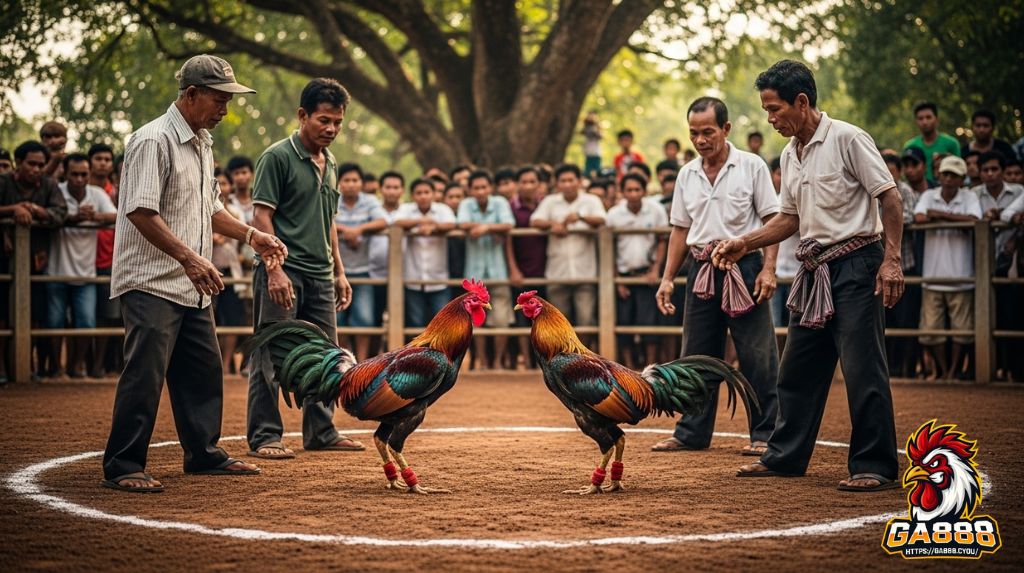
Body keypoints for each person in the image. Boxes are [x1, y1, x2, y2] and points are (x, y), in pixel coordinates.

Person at [714, 60, 905, 492]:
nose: (770, 118)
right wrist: (745, 242)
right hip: (815, 271)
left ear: (801, 102)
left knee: (862, 368)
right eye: (767, 109)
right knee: (797, 367)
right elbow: (789, 218)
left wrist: (891, 259)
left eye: (774, 108)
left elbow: (890, 197)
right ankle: (784, 456)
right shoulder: (790, 153)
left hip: (858, 264)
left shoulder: (848, 138)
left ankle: (873, 464)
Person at [103, 55, 279, 492]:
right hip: (151, 279)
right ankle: (124, 464)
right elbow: (140, 211)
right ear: (192, 94)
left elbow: (210, 208)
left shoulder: (202, 141)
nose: (224, 110)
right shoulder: (152, 140)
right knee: (145, 372)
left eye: (227, 101)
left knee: (203, 369)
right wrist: (190, 257)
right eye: (219, 100)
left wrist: (251, 235)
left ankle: (203, 453)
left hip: (192, 281)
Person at [650, 97, 779, 456]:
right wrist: (667, 278)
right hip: (701, 268)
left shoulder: (751, 166)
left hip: (744, 266)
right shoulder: (687, 173)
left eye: (708, 131)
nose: (700, 140)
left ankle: (766, 433)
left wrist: (768, 269)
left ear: (726, 129)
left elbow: (772, 221)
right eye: (694, 133)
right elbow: (680, 229)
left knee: (757, 353)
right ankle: (691, 432)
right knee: (695, 354)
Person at [246, 77, 365, 462]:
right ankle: (265, 435)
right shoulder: (277, 157)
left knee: (326, 356)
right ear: (302, 115)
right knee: (271, 356)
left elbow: (329, 221)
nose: (331, 128)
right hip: (285, 271)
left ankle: (321, 431)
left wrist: (339, 271)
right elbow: (262, 216)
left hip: (320, 274)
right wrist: (274, 269)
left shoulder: (330, 163)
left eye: (337, 122)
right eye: (323, 120)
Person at [0, 140, 67, 380]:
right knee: (2, 316)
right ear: (18, 162)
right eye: (31, 164)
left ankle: (28, 367)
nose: (37, 169)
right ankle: (3, 369)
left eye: (40, 164)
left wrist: (37, 211)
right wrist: (13, 209)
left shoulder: (49, 185)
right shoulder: (4, 182)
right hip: (3, 260)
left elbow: (61, 213)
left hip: (37, 262)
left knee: (36, 316)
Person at [47, 153, 117, 378]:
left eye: (83, 174)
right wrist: (73, 217)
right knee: (55, 323)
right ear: (66, 173)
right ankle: (56, 368)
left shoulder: (96, 194)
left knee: (86, 321)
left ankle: (75, 366)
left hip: (86, 273)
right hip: (56, 270)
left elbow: (116, 216)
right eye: (74, 174)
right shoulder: (56, 191)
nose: (79, 179)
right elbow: (48, 214)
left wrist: (97, 217)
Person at [913, 156, 980, 380]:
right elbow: (920, 217)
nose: (949, 179)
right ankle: (943, 370)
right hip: (932, 276)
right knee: (931, 331)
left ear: (962, 179)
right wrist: (955, 220)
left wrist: (940, 215)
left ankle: (952, 372)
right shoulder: (928, 195)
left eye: (954, 175)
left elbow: (975, 221)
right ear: (938, 175)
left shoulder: (969, 197)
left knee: (963, 332)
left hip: (961, 277)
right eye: (945, 174)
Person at [530, 163, 606, 346]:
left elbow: (602, 219)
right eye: (563, 181)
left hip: (585, 272)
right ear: (557, 183)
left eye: (571, 180)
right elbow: (535, 220)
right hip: (557, 271)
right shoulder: (550, 202)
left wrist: (580, 217)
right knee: (558, 321)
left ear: (579, 181)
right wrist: (552, 224)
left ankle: (582, 356)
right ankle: (564, 357)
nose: (567, 184)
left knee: (586, 319)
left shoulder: (591, 201)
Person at [606, 173, 667, 368]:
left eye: (637, 189)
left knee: (649, 322)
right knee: (624, 322)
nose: (633, 194)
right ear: (622, 192)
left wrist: (656, 268)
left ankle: (649, 367)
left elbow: (662, 240)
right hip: (624, 275)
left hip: (646, 274)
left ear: (644, 190)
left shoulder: (656, 210)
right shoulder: (614, 215)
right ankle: (628, 367)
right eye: (629, 190)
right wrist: (617, 279)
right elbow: (609, 248)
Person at [457, 170, 515, 369]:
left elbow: (509, 224)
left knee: (501, 319)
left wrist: (486, 228)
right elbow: (462, 223)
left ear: (490, 188)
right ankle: (482, 361)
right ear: (470, 190)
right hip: (474, 274)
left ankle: (498, 361)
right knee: (475, 319)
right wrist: (492, 227)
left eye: (484, 187)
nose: (481, 191)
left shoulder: (500, 202)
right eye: (476, 188)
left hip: (499, 272)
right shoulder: (466, 204)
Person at [334, 162, 387, 361]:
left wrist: (359, 230)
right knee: (338, 319)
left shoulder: (369, 201)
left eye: (355, 180)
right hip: (336, 271)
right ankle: (342, 361)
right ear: (339, 183)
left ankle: (362, 363)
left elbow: (382, 221)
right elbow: (322, 220)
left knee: (364, 319)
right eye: (346, 180)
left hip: (363, 271)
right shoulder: (333, 199)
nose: (351, 184)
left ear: (361, 183)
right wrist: (345, 231)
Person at [395, 178, 457, 328]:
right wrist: (420, 222)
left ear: (433, 194)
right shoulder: (406, 209)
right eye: (419, 193)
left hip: (439, 280)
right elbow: (396, 222)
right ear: (412, 195)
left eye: (427, 192)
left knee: (442, 324)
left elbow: (451, 224)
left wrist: (434, 226)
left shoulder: (442, 209)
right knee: (415, 323)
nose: (423, 196)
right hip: (413, 279)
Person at [508, 166, 547, 369]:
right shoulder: (511, 208)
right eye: (524, 182)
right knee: (521, 316)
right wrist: (513, 268)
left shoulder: (546, 205)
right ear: (517, 185)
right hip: (521, 270)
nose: (528, 186)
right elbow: (507, 240)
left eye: (532, 181)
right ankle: (526, 359)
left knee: (542, 318)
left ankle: (542, 360)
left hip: (544, 269)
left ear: (539, 184)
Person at [211, 167, 245, 375]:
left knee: (231, 319)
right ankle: (213, 365)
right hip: (207, 269)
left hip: (230, 271)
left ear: (230, 186)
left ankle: (225, 365)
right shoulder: (201, 206)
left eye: (224, 183)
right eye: (217, 182)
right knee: (211, 318)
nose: (220, 187)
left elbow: (238, 234)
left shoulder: (236, 211)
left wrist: (222, 206)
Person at [367, 170, 404, 348]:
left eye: (396, 187)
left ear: (402, 190)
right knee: (374, 320)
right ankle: (372, 358)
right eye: (388, 187)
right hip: (374, 275)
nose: (392, 191)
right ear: (381, 189)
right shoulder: (372, 211)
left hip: (403, 277)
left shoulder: (407, 211)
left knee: (403, 320)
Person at [903, 102, 961, 177]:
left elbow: (959, 171)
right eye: (920, 118)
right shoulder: (910, 146)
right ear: (916, 122)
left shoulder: (951, 143)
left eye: (928, 117)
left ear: (937, 120)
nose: (924, 122)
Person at [442, 181, 466, 279]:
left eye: (458, 197)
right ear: (444, 199)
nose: (455, 201)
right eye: (451, 197)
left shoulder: (470, 218)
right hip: (445, 269)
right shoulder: (439, 217)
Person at [226, 156, 256, 224]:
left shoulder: (259, 199)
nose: (240, 177)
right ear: (230, 177)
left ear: (252, 174)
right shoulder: (227, 201)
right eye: (236, 173)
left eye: (244, 172)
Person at [582, 111, 603, 177]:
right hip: (588, 153)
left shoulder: (596, 128)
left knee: (597, 170)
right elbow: (582, 132)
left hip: (595, 153)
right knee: (587, 171)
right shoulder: (586, 127)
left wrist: (597, 129)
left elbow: (600, 136)